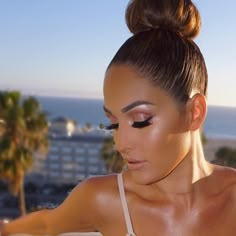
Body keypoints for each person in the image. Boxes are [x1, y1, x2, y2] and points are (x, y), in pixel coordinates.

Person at [1, 0, 236, 235]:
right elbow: (45, 224)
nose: (120, 144)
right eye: (113, 123)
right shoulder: (102, 200)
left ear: (194, 113)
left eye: (140, 120)